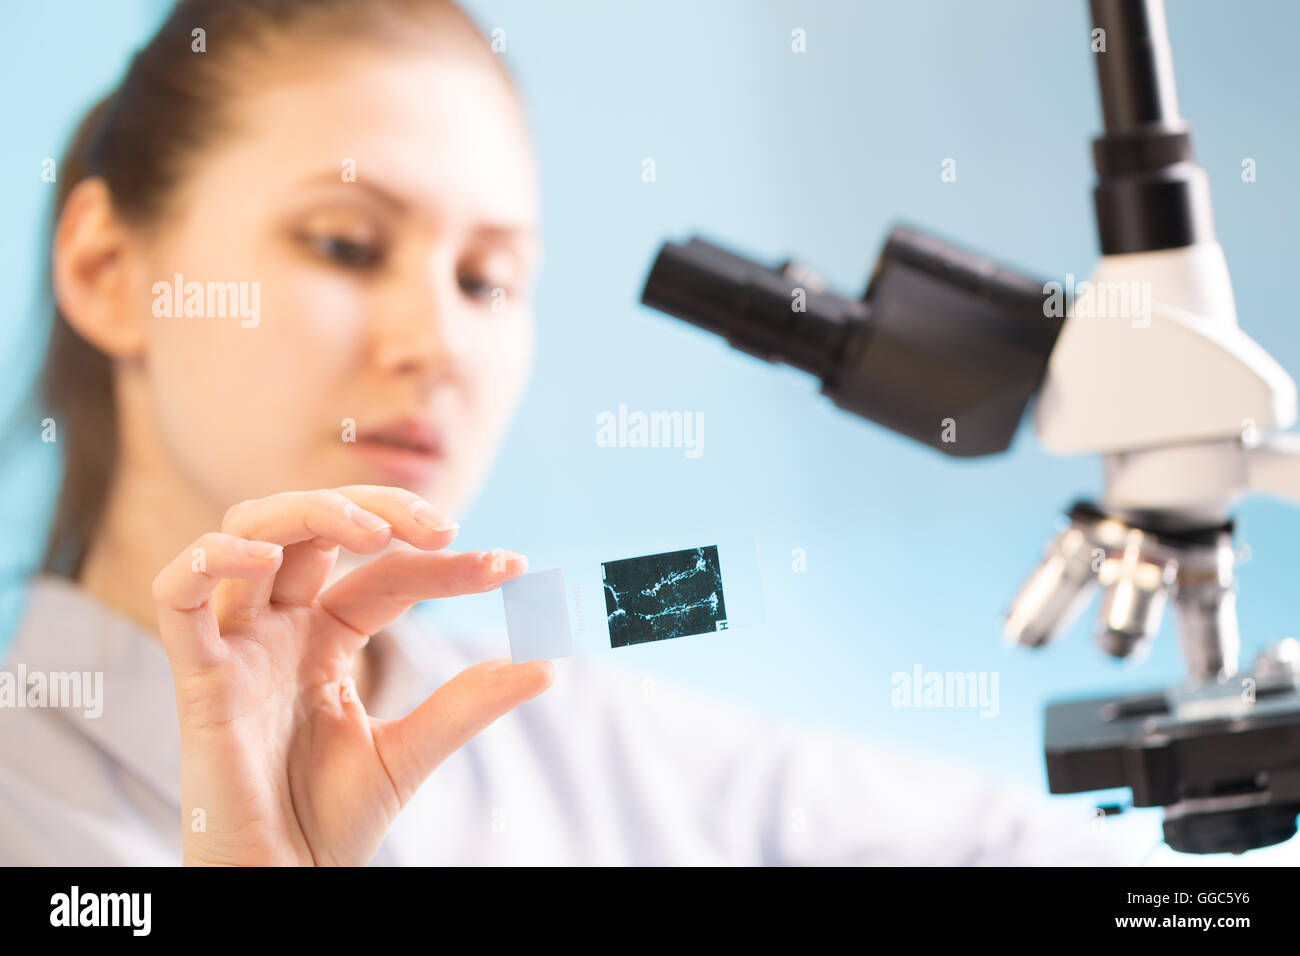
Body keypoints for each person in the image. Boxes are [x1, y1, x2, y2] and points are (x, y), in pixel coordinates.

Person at [0, 0, 1122, 865]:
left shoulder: (543, 686)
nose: (437, 342)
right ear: (108, 269)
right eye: (343, 244)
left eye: (488, 279)